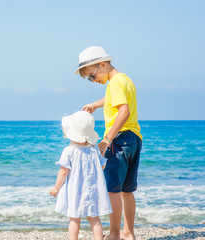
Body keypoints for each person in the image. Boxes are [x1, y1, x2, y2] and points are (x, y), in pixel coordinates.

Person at [75, 46, 142, 240]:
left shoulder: (114, 83)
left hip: (118, 140)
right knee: (127, 191)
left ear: (102, 65)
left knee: (112, 190)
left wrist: (107, 139)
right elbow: (114, 99)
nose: (93, 80)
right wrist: (96, 104)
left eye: (92, 76)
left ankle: (114, 234)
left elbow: (123, 112)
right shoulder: (124, 80)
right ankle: (128, 233)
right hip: (134, 139)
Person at [50, 111, 112, 240]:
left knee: (74, 218)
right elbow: (102, 166)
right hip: (93, 190)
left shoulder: (69, 151)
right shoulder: (95, 149)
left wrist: (56, 188)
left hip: (76, 191)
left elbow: (63, 171)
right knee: (95, 219)